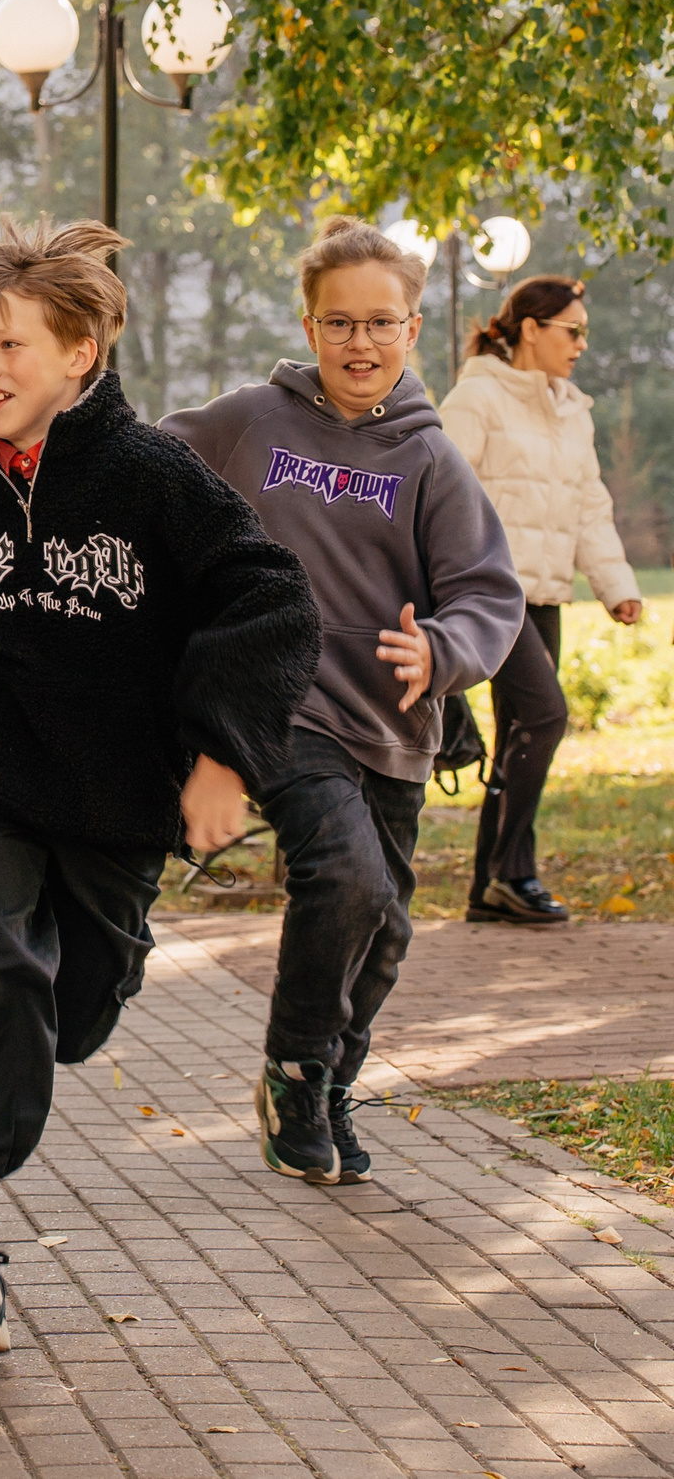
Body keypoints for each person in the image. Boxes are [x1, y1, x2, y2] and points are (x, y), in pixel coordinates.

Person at [0, 218, 318, 1357]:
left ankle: (69, 995)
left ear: (79, 355)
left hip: (113, 800)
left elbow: (268, 602)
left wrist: (219, 756)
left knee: (78, 1001)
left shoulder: (152, 477)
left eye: (8, 345)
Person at [164, 216, 523, 1186]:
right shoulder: (252, 423)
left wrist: (441, 650)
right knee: (350, 882)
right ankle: (292, 1071)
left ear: (412, 331)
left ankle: (327, 1084)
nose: (357, 343)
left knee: (388, 924)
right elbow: (146, 466)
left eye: (378, 323)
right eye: (337, 323)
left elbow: (489, 590)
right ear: (309, 326)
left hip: (392, 726)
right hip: (284, 709)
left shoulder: (430, 460)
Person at [438, 275, 644, 926]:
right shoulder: (477, 396)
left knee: (522, 732)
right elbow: (441, 491)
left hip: (546, 592)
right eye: (572, 330)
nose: (582, 343)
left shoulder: (570, 407)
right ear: (531, 328)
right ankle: (510, 871)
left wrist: (617, 587)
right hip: (492, 591)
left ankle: (488, 886)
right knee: (547, 716)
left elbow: (589, 505)